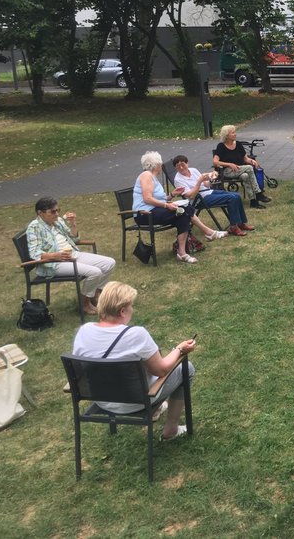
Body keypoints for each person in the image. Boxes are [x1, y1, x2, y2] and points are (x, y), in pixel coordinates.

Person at [72, 281, 196, 441]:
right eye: (131, 306)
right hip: (136, 401)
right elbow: (162, 370)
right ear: (122, 311)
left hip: (102, 400)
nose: (133, 309)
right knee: (187, 369)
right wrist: (179, 350)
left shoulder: (84, 331)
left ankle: (156, 411)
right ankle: (171, 429)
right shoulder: (136, 334)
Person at [26, 196, 116, 316]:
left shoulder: (56, 221)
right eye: (53, 211)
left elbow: (74, 237)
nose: (57, 214)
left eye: (58, 210)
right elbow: (34, 253)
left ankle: (94, 293)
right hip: (53, 264)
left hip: (72, 255)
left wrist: (73, 223)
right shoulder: (34, 227)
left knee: (109, 263)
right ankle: (84, 303)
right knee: (95, 272)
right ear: (40, 213)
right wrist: (55, 255)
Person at [133, 150, 198, 264]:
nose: (161, 166)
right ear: (156, 165)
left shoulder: (154, 178)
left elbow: (160, 199)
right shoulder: (146, 175)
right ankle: (186, 249)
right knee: (184, 211)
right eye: (160, 164)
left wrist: (172, 195)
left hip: (155, 210)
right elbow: (147, 198)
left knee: (184, 213)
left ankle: (181, 252)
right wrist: (166, 205)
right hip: (144, 214)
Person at [172, 155, 255, 237]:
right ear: (175, 168)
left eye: (182, 164)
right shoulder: (178, 180)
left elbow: (206, 184)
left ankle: (241, 223)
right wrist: (199, 181)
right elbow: (191, 196)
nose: (181, 167)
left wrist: (211, 179)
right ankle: (233, 227)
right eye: (178, 166)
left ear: (187, 164)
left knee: (236, 195)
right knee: (231, 198)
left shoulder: (193, 170)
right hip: (199, 199)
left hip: (208, 192)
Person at [213, 125, 271, 208]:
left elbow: (245, 159)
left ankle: (253, 202)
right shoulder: (221, 146)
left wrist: (252, 161)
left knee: (245, 176)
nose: (235, 134)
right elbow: (215, 161)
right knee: (249, 168)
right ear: (227, 135)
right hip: (228, 171)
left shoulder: (238, 144)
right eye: (233, 133)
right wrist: (229, 164)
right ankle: (258, 193)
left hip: (241, 170)